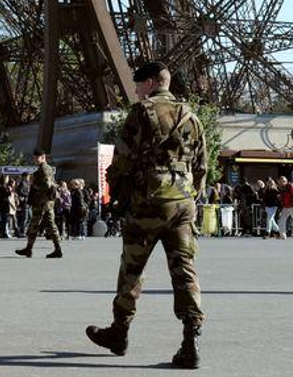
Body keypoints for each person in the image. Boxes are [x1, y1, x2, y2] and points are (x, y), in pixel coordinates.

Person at [86, 62, 207, 369]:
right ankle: (191, 339)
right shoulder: (191, 115)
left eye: (139, 83)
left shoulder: (142, 112)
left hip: (149, 201)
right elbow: (203, 165)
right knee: (184, 268)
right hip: (182, 200)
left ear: (152, 82)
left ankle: (119, 332)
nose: (136, 89)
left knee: (132, 269)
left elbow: (123, 159)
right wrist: (190, 193)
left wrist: (116, 190)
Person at [15, 150, 63, 258]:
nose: (35, 160)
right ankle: (57, 248)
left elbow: (46, 185)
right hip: (47, 202)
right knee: (49, 225)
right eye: (34, 158)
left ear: (43, 157)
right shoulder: (48, 168)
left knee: (35, 225)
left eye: (37, 158)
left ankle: (30, 248)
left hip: (41, 202)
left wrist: (34, 184)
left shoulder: (43, 169)